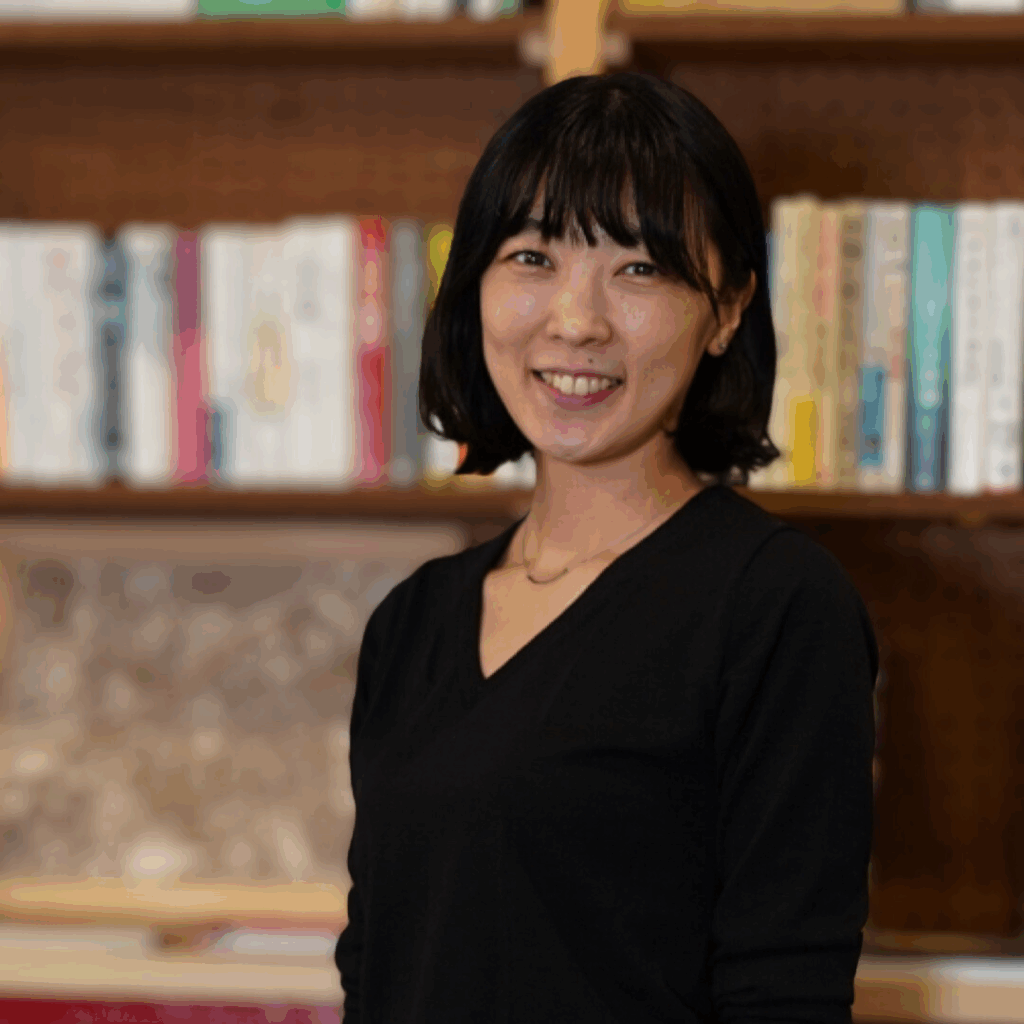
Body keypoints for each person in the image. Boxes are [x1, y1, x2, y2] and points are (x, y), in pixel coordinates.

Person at [335, 70, 878, 1024]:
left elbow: (785, 992)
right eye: (532, 257)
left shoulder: (777, 606)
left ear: (728, 309)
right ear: (474, 286)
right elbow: (377, 969)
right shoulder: (411, 621)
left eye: (640, 269)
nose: (576, 320)